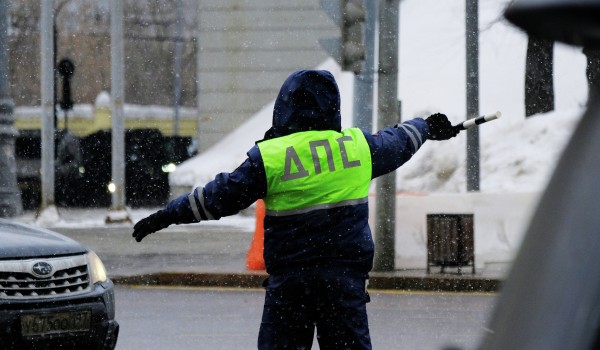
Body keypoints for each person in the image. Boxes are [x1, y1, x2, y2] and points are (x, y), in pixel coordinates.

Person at [132, 70, 459, 349]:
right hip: (344, 281)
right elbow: (399, 140)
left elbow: (218, 197)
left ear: (285, 107)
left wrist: (167, 215)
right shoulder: (358, 148)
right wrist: (428, 126)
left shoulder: (270, 158)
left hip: (291, 284)